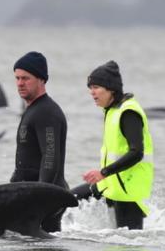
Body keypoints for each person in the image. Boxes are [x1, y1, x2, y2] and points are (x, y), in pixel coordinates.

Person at [74, 61, 154, 230]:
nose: (91, 92)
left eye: (96, 87)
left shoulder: (128, 112)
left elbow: (136, 152)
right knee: (67, 199)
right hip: (110, 184)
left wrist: (103, 172)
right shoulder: (112, 111)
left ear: (110, 88)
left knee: (128, 249)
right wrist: (104, 175)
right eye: (90, 88)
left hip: (128, 191)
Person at [10, 51, 69, 232]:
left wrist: (40, 197)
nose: (20, 83)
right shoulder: (34, 109)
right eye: (17, 78)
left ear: (41, 79)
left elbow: (50, 157)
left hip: (45, 198)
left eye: (26, 78)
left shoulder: (46, 112)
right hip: (33, 194)